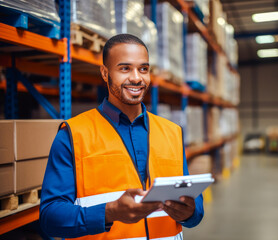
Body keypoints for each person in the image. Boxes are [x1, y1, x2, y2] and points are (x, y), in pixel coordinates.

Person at [40, 34, 204, 239]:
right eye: (125, 68)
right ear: (105, 73)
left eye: (143, 69)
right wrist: (109, 212)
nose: (136, 77)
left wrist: (190, 212)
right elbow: (50, 217)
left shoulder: (172, 132)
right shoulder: (73, 135)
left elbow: (195, 208)